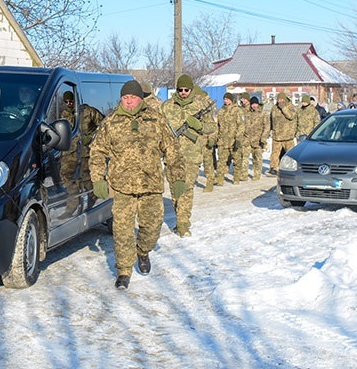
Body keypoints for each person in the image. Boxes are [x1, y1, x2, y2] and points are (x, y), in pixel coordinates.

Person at [89, 80, 186, 290]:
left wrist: (177, 178)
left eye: (132, 97)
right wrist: (98, 178)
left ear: (140, 99)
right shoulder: (111, 121)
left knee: (152, 227)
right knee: (122, 230)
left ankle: (143, 250)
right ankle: (124, 270)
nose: (129, 101)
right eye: (125, 98)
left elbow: (172, 150)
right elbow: (97, 151)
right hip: (122, 186)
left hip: (150, 183)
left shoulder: (156, 119)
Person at [160, 75, 215, 236]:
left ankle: (183, 223)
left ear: (191, 90)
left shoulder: (200, 105)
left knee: (187, 188)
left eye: (186, 90)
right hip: (172, 155)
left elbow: (211, 127)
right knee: (175, 188)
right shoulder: (167, 106)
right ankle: (180, 217)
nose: (183, 93)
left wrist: (198, 125)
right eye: (180, 90)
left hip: (191, 155)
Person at [215, 92, 243, 185]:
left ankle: (236, 178)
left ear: (231, 100)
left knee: (237, 160)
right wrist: (216, 137)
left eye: (227, 99)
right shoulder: (221, 111)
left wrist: (238, 138)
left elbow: (241, 125)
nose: (225, 101)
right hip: (222, 141)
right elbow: (217, 126)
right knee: (221, 161)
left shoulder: (237, 110)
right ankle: (220, 179)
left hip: (233, 140)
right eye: (224, 99)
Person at [240, 96, 270, 181]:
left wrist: (263, 139)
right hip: (247, 139)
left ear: (258, 104)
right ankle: (244, 175)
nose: (254, 106)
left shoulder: (263, 114)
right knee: (244, 158)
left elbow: (267, 127)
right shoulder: (247, 113)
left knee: (257, 158)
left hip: (258, 140)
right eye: (252, 104)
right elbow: (243, 125)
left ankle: (257, 175)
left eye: (255, 104)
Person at [268, 91, 298, 176]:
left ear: (285, 99)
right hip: (277, 135)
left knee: (289, 154)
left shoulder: (291, 107)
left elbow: (290, 116)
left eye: (281, 99)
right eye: (278, 99)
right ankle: (273, 168)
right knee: (275, 153)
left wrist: (283, 108)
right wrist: (269, 130)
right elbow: (271, 120)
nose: (279, 101)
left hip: (288, 136)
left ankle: (290, 168)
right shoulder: (274, 108)